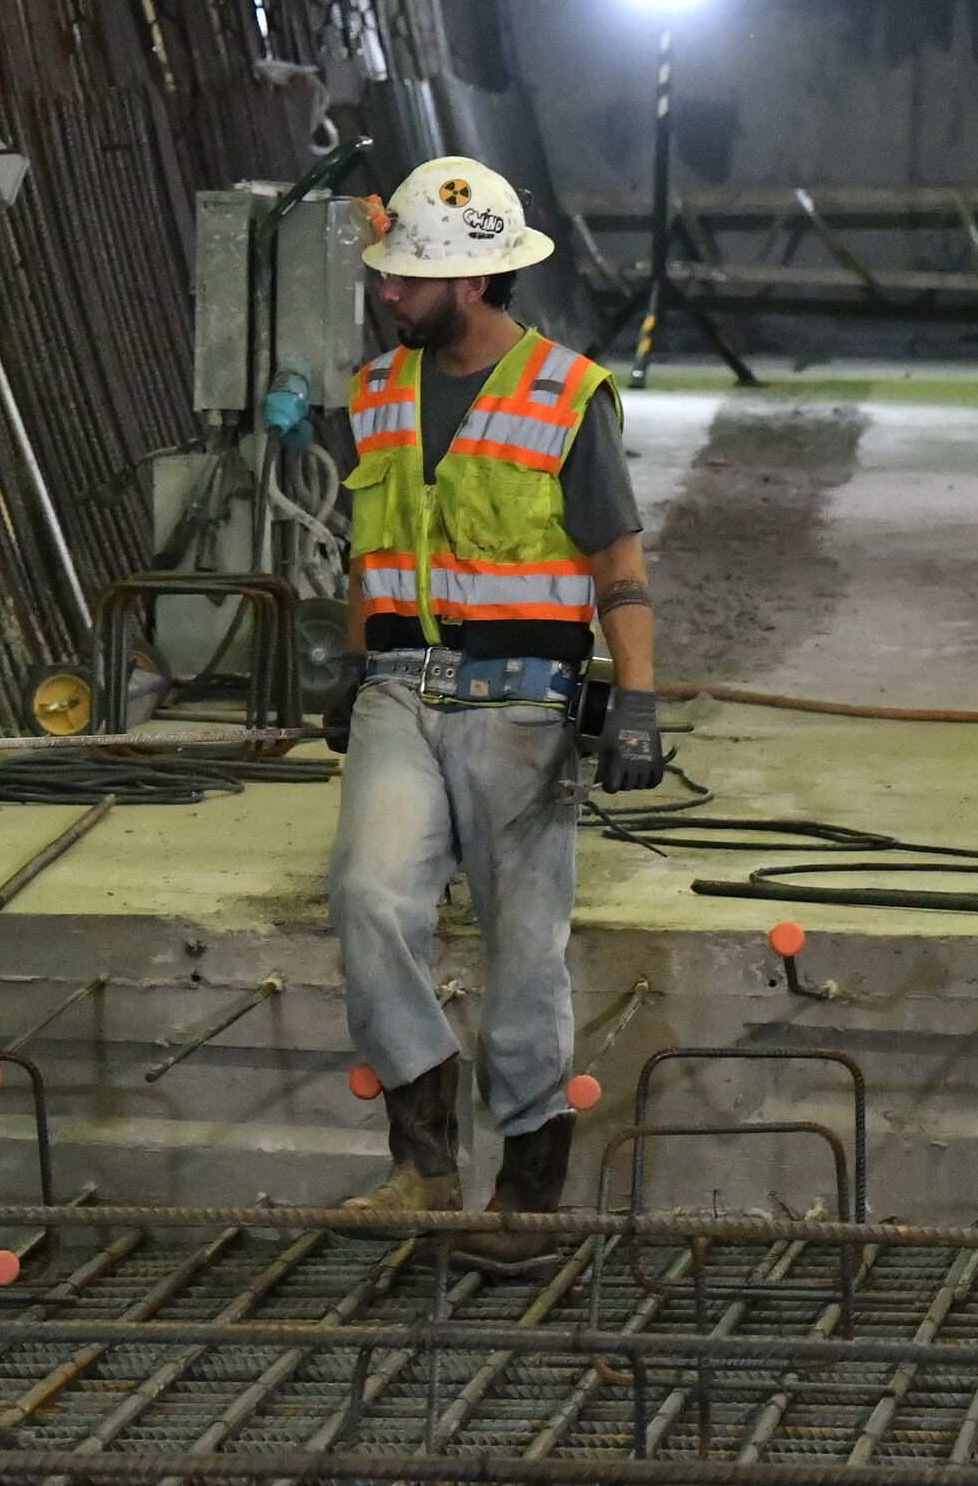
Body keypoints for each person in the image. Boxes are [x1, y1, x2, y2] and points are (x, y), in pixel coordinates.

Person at [316, 154, 664, 1263]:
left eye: (404, 277)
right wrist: (355, 660)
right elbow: (376, 553)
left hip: (521, 706)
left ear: (468, 284)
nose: (386, 291)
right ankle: (424, 1164)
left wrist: (641, 699)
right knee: (370, 898)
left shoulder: (566, 395)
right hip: (399, 693)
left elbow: (616, 560)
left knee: (524, 953)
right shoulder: (377, 395)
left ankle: (530, 1195)